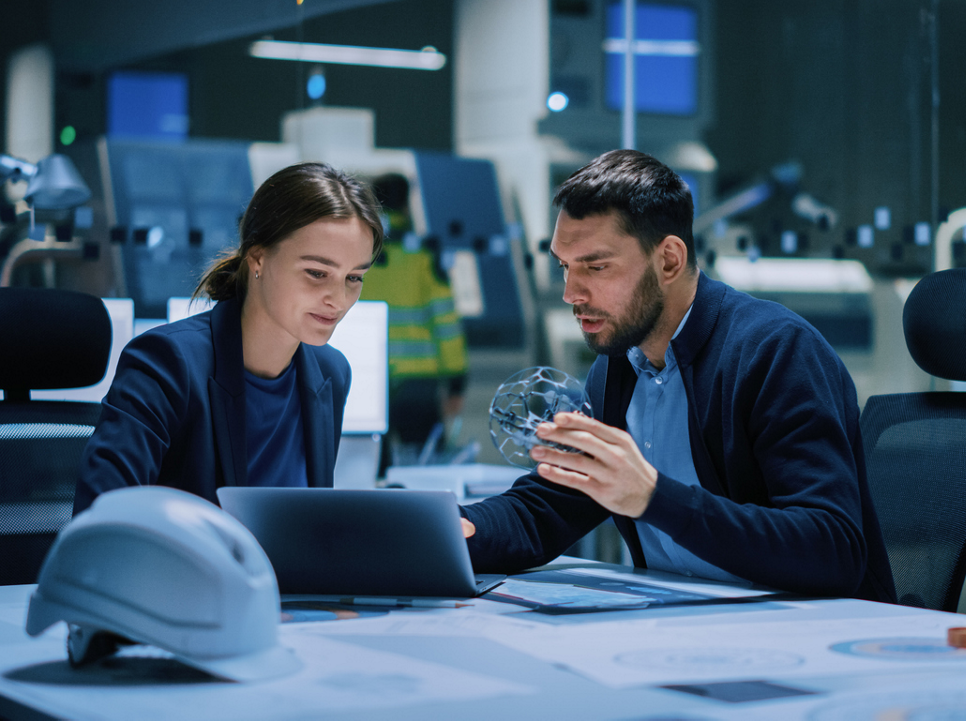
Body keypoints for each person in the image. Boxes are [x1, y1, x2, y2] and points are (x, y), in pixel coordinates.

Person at [461, 150, 896, 600]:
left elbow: (832, 549)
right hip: (683, 623)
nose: (572, 292)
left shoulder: (775, 351)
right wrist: (454, 530)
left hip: (802, 635)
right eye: (565, 266)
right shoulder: (618, 366)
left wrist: (653, 498)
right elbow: (549, 506)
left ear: (668, 260)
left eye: (595, 266)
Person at [74, 162, 384, 513]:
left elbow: (307, 522)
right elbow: (100, 521)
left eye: (354, 278)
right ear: (258, 260)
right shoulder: (168, 363)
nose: (338, 299)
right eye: (316, 273)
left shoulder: (331, 373)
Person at [359, 173, 469, 471]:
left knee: (369, 469)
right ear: (407, 205)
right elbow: (445, 323)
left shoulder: (360, 254)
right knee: (424, 469)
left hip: (367, 381)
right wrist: (457, 381)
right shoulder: (423, 256)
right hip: (418, 382)